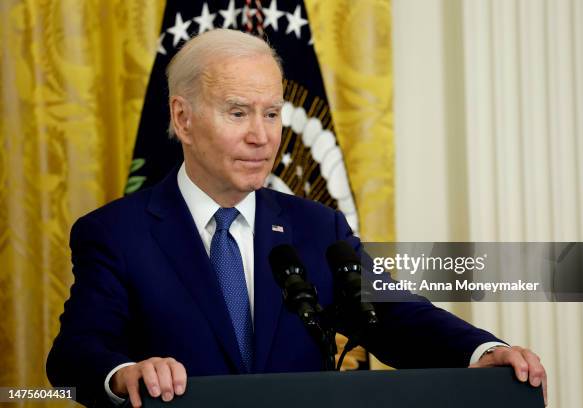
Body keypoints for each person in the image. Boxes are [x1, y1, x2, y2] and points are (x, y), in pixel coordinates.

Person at [46, 29, 547, 407]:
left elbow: (395, 315)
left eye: (271, 113)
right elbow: (74, 354)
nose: (262, 136)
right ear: (183, 119)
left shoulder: (316, 228)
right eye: (239, 112)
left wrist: (482, 352)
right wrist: (124, 372)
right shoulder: (115, 233)